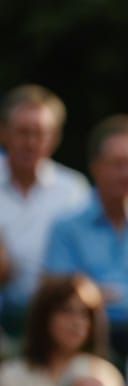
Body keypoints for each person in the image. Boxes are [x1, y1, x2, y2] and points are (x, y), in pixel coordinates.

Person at [43, 114, 128, 355]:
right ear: (96, 166)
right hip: (83, 341)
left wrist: (99, 292)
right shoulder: (66, 226)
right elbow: (59, 296)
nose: (127, 173)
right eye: (118, 163)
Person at [0, 85, 90, 314]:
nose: (30, 142)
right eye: (22, 132)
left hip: (56, 313)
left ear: (55, 137)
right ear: (3, 132)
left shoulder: (74, 189)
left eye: (39, 133)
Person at [0, 274, 108, 386]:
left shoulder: (104, 375)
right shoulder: (10, 376)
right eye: (66, 311)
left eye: (85, 314)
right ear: (44, 317)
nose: (77, 322)